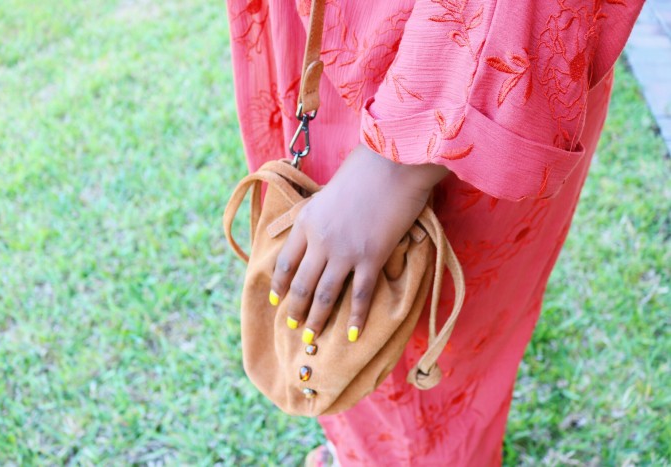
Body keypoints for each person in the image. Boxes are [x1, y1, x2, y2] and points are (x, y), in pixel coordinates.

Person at [225, 0, 643, 465]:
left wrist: (394, 169)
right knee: (341, 313)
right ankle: (364, 453)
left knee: (411, 342)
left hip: (431, 89)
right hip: (330, 40)